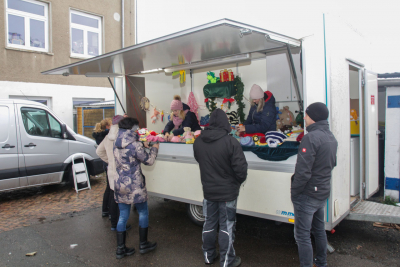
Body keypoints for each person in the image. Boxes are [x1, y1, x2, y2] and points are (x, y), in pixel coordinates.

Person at [193, 109, 248, 267]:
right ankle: (226, 260)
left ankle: (208, 256)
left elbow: (200, 159)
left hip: (208, 191)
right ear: (225, 123)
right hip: (227, 192)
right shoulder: (231, 142)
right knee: (226, 225)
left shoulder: (198, 141)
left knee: (209, 223)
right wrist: (235, 182)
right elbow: (241, 171)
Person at [291, 102, 338, 267]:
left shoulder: (310, 137)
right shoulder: (330, 136)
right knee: (319, 230)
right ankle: (321, 263)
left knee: (302, 236)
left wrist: (295, 191)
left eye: (306, 115)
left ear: (314, 117)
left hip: (308, 193)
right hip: (322, 191)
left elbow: (303, 171)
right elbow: (332, 164)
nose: (304, 117)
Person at [113, 117, 159, 259]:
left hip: (120, 183)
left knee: (123, 216)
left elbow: (130, 154)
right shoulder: (134, 145)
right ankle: (143, 244)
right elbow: (149, 161)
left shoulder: (117, 142)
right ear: (132, 128)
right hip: (135, 185)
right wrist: (154, 148)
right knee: (143, 212)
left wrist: (141, 145)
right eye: (136, 127)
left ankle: (121, 249)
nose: (138, 130)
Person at [96, 115, 131, 231]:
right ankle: (119, 225)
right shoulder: (122, 137)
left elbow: (99, 151)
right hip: (120, 171)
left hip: (111, 170)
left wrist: (110, 161)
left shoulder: (107, 137)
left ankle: (113, 223)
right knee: (120, 200)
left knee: (113, 196)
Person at [92, 118, 112, 217]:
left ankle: (105, 210)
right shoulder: (106, 136)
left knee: (108, 187)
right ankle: (108, 210)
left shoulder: (101, 135)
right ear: (108, 126)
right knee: (110, 188)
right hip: (108, 163)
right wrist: (110, 161)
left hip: (105, 163)